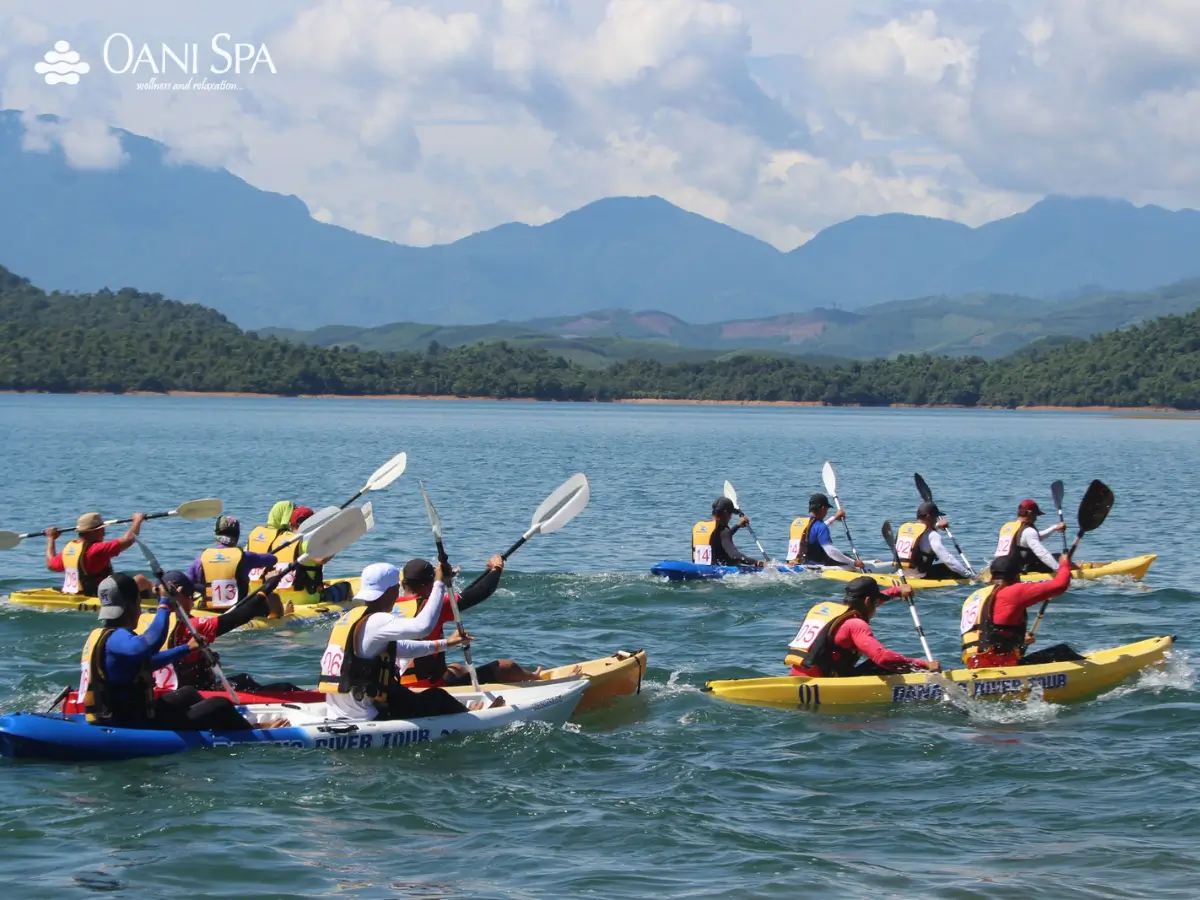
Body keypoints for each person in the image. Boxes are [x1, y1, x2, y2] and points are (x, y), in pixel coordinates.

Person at [78, 573, 287, 731]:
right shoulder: (119, 638)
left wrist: (185, 649)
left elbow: (147, 663)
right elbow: (147, 645)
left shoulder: (102, 634)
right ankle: (253, 732)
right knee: (220, 704)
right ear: (133, 605)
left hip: (128, 713)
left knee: (187, 693)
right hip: (132, 722)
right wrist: (163, 605)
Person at [318, 562, 495, 720]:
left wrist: (447, 644)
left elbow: (401, 648)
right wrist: (439, 583)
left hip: (339, 711)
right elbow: (422, 627)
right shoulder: (377, 620)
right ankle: (473, 718)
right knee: (437, 697)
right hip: (366, 714)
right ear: (388, 591)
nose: (397, 596)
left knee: (401, 693)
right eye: (395, 590)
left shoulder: (350, 617)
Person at [394, 557, 556, 687]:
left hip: (398, 684)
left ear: (403, 583)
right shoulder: (435, 606)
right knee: (507, 667)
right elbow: (481, 592)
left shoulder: (390, 606)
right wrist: (497, 568)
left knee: (456, 668)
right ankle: (536, 679)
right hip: (430, 688)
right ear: (432, 584)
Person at [141, 570, 293, 693]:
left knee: (243, 680)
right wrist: (267, 587)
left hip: (164, 692)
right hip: (196, 695)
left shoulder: (149, 623)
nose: (193, 601)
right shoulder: (193, 626)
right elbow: (241, 616)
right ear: (181, 596)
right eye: (191, 596)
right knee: (284, 688)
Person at [785, 577, 941, 676]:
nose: (876, 606)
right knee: (883, 665)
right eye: (875, 602)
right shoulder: (855, 624)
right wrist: (924, 665)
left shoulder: (829, 611)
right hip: (826, 684)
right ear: (867, 601)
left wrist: (897, 591)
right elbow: (883, 658)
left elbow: (870, 602)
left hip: (798, 677)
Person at [960, 555, 1082, 668]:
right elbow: (1060, 585)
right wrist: (1064, 563)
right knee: (1061, 652)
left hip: (975, 665)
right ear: (1016, 576)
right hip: (999, 667)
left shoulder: (975, 597)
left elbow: (989, 632)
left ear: (992, 576)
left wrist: (1021, 642)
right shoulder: (1012, 591)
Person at [187, 516, 279, 610]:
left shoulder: (200, 560)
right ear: (237, 537)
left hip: (207, 612)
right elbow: (273, 559)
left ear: (216, 535)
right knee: (274, 599)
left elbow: (186, 584)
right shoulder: (245, 557)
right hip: (237, 613)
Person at [46, 511, 147, 596]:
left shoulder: (69, 549)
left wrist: (51, 539)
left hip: (76, 593)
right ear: (94, 532)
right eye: (102, 529)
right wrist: (137, 521)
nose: (104, 533)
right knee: (140, 580)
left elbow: (51, 565)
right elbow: (128, 540)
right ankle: (160, 599)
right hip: (100, 593)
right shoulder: (97, 549)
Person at [895, 502, 971, 580]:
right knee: (947, 567)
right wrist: (968, 574)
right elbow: (947, 559)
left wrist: (937, 525)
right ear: (928, 516)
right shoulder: (933, 535)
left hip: (901, 573)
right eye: (935, 517)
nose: (936, 520)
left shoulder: (905, 529)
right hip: (919, 576)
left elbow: (924, 533)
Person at [786, 493, 864, 569]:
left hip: (794, 563)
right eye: (827, 508)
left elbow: (817, 529)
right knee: (846, 557)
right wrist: (853, 562)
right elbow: (831, 551)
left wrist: (835, 517)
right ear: (823, 508)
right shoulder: (820, 526)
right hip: (813, 566)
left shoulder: (798, 523)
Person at [994, 499, 1067, 575]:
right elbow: (1042, 554)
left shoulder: (1007, 527)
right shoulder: (1028, 531)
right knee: (1061, 558)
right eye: (1035, 515)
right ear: (1030, 513)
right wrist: (1059, 570)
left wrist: (1054, 528)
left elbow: (1032, 538)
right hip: (1023, 569)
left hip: (999, 566)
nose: (1036, 519)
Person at [692, 497, 765, 568]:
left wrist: (738, 526)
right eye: (731, 514)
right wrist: (757, 563)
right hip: (719, 572)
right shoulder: (723, 531)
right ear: (726, 513)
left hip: (698, 568)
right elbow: (734, 555)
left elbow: (720, 538)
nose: (730, 517)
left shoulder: (701, 527)